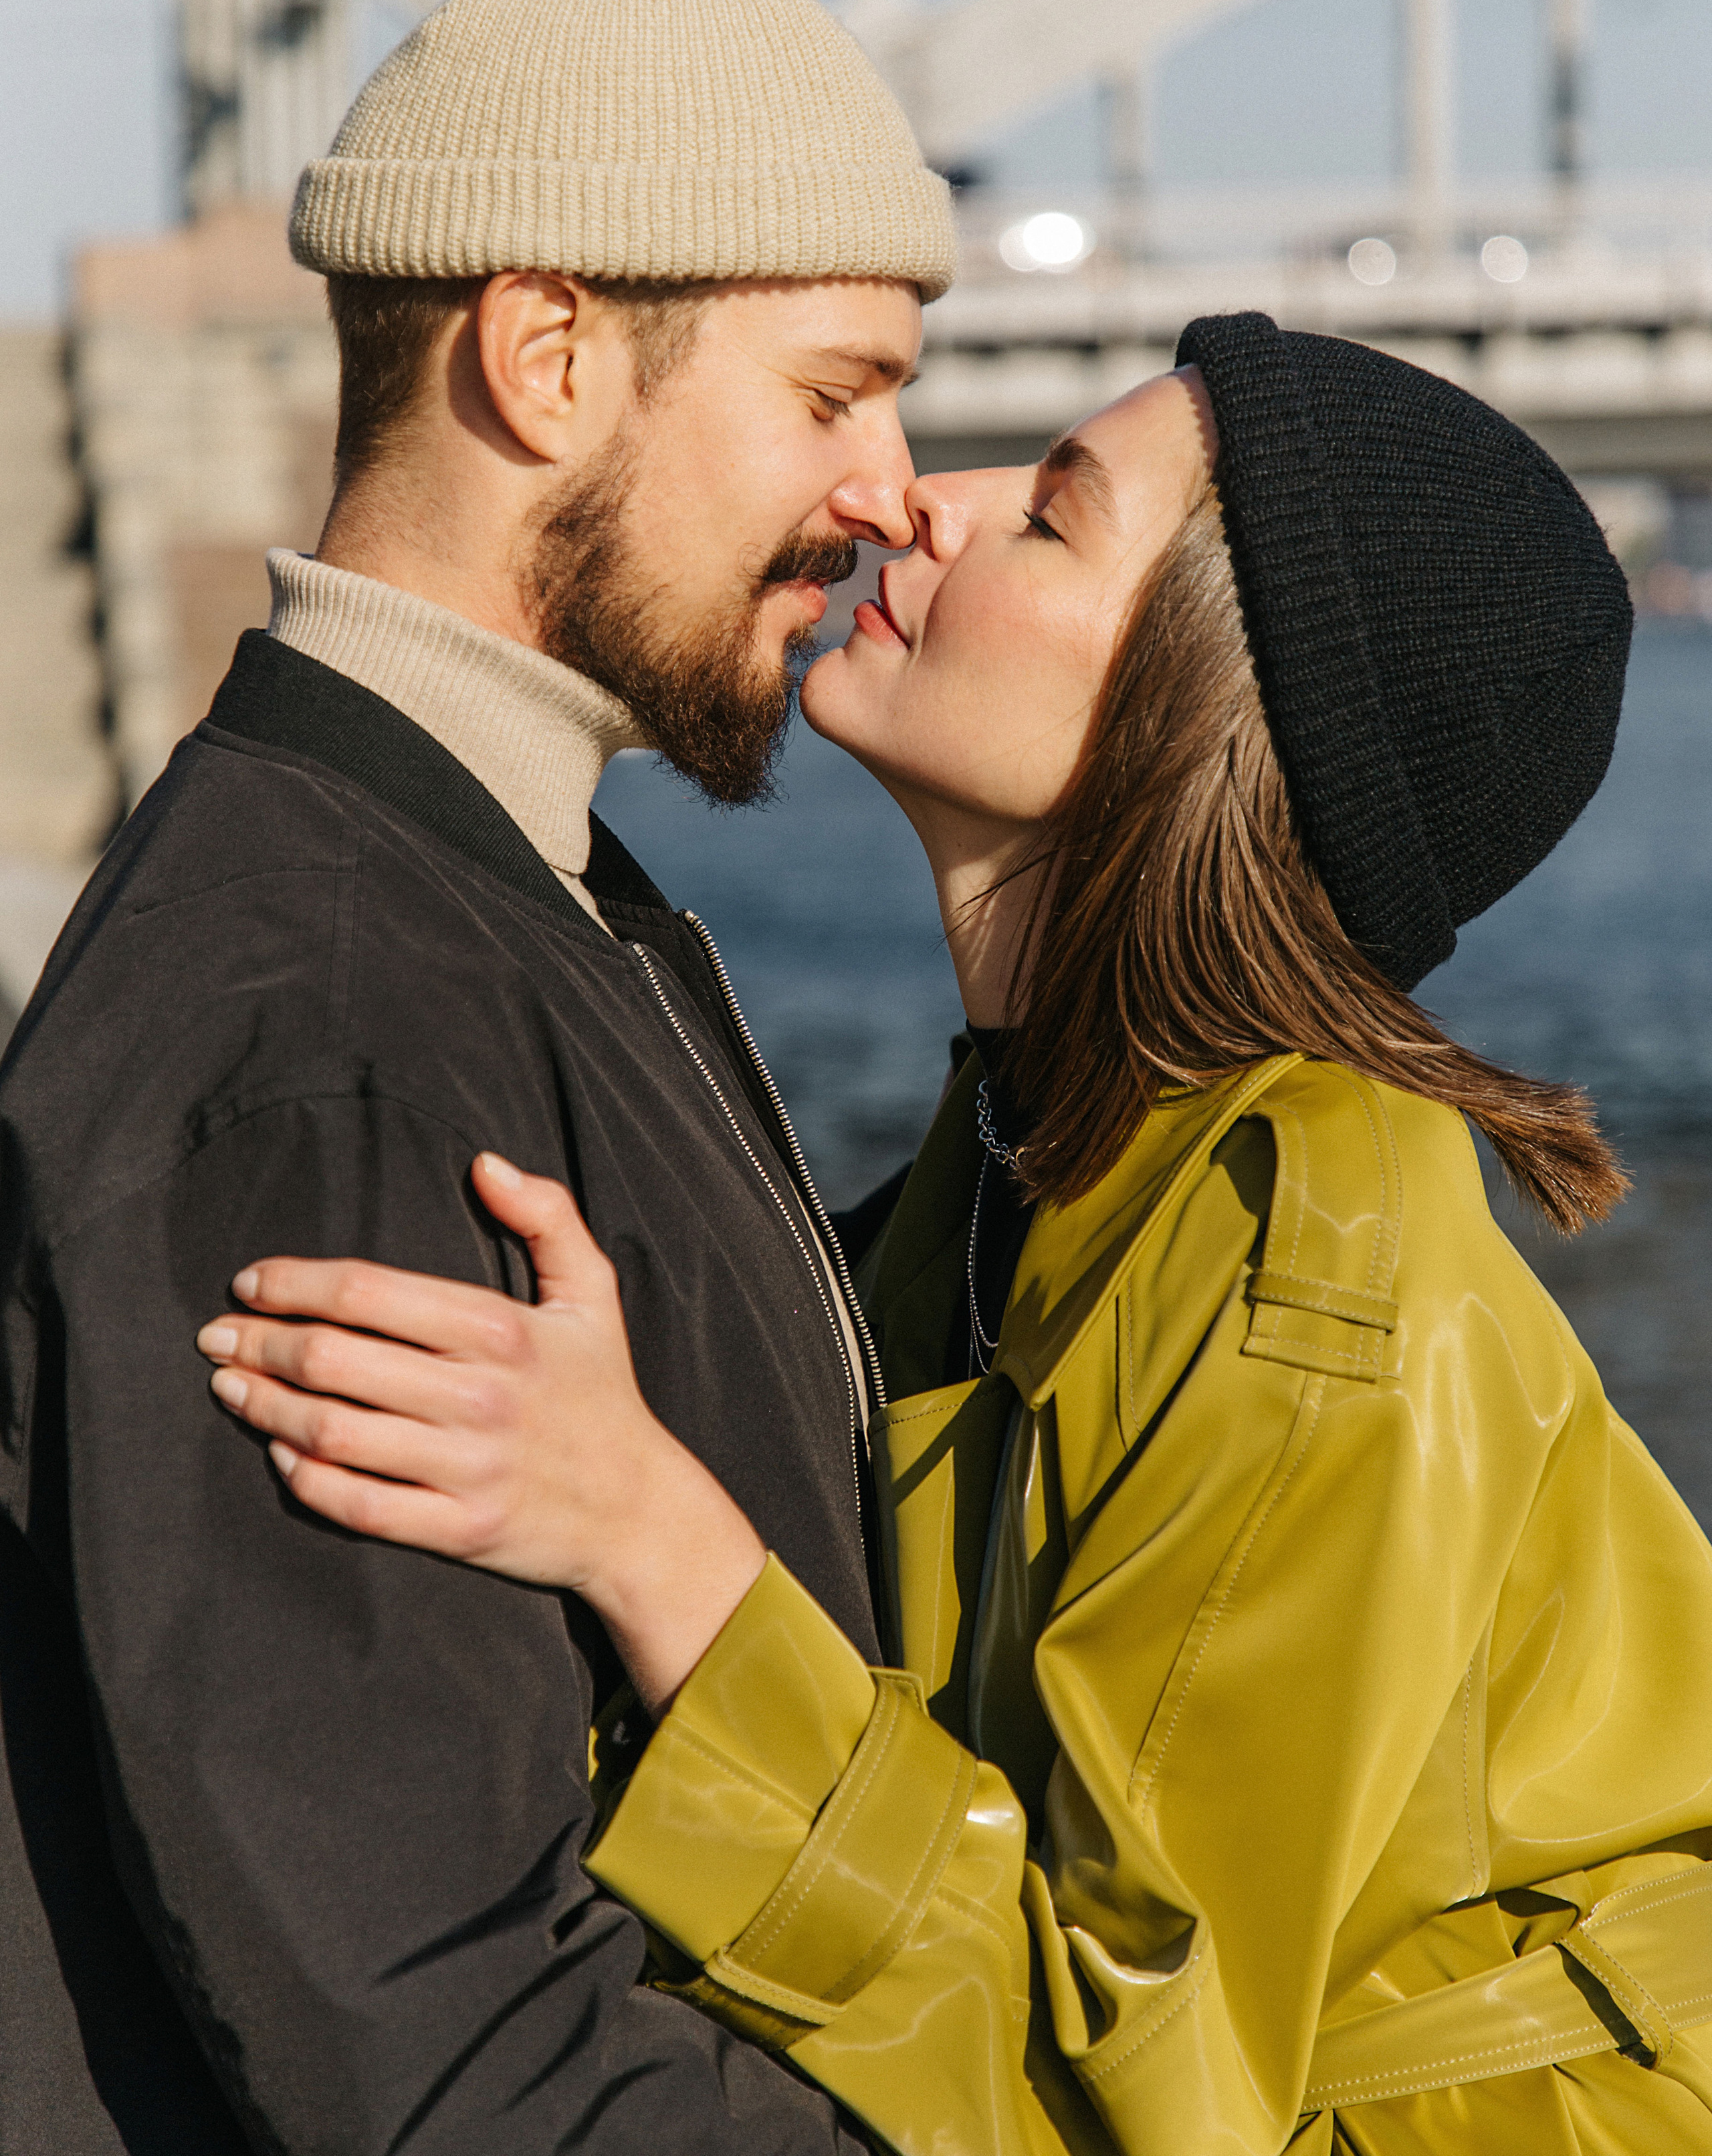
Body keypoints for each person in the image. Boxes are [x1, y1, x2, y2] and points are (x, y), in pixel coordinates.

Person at [203, 314, 1712, 2156]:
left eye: (1055, 518)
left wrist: (659, 1546)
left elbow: (1132, 2091)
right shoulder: (1028, 1153)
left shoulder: (1302, 1274)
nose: (927, 502)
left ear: (1210, 705)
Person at [0, 0, 957, 2155]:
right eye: (834, 393)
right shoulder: (322, 1028)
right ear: (544, 356)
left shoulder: (498, 900)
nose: (896, 489)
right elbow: (442, 2053)